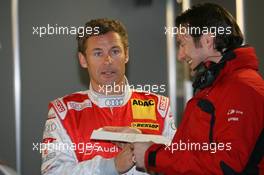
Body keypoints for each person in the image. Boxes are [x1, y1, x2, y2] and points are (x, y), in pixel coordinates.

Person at [130, 3, 264, 175]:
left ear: (207, 40)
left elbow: (225, 165)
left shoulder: (242, 88)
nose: (180, 55)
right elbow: (190, 151)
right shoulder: (216, 85)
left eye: (182, 43)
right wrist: (140, 142)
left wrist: (153, 157)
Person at [41, 18, 176, 175]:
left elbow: (179, 166)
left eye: (115, 51)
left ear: (126, 55)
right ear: (83, 60)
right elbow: (53, 172)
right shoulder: (63, 111)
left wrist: (150, 153)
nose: (108, 61)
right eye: (98, 53)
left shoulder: (159, 106)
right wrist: (112, 166)